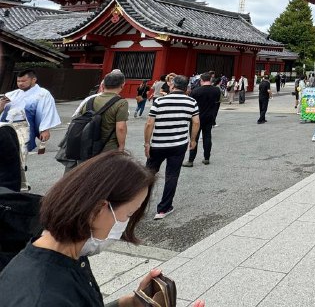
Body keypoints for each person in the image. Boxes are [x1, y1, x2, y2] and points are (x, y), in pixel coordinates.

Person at [0, 151, 205, 306]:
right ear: (98, 210)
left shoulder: (67, 254)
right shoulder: (43, 296)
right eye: (128, 215)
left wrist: (130, 303)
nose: (125, 225)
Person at [144, 75, 200, 219]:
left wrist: (147, 142)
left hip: (158, 143)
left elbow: (150, 123)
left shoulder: (160, 101)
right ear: (186, 87)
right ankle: (163, 209)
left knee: (148, 174)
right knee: (172, 175)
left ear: (172, 86)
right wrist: (193, 139)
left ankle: (137, 205)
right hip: (178, 144)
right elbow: (196, 122)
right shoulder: (191, 102)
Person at [0, 69, 61, 190]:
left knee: (19, 155)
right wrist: (1, 105)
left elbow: (47, 111)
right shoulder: (12, 94)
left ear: (33, 80)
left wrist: (45, 129)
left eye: (24, 80)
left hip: (24, 128)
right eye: (18, 81)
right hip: (6, 127)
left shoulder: (43, 94)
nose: (20, 83)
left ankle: (19, 184)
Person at [77, 71, 129, 154]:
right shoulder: (121, 103)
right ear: (122, 85)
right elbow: (121, 127)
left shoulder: (90, 100)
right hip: (108, 146)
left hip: (87, 144)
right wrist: (122, 146)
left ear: (103, 85)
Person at [184, 72, 221, 166]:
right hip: (209, 116)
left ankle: (191, 160)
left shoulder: (196, 91)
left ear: (201, 80)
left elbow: (190, 104)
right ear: (210, 79)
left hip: (196, 117)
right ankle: (206, 158)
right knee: (207, 137)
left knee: (194, 138)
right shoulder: (216, 90)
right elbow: (217, 101)